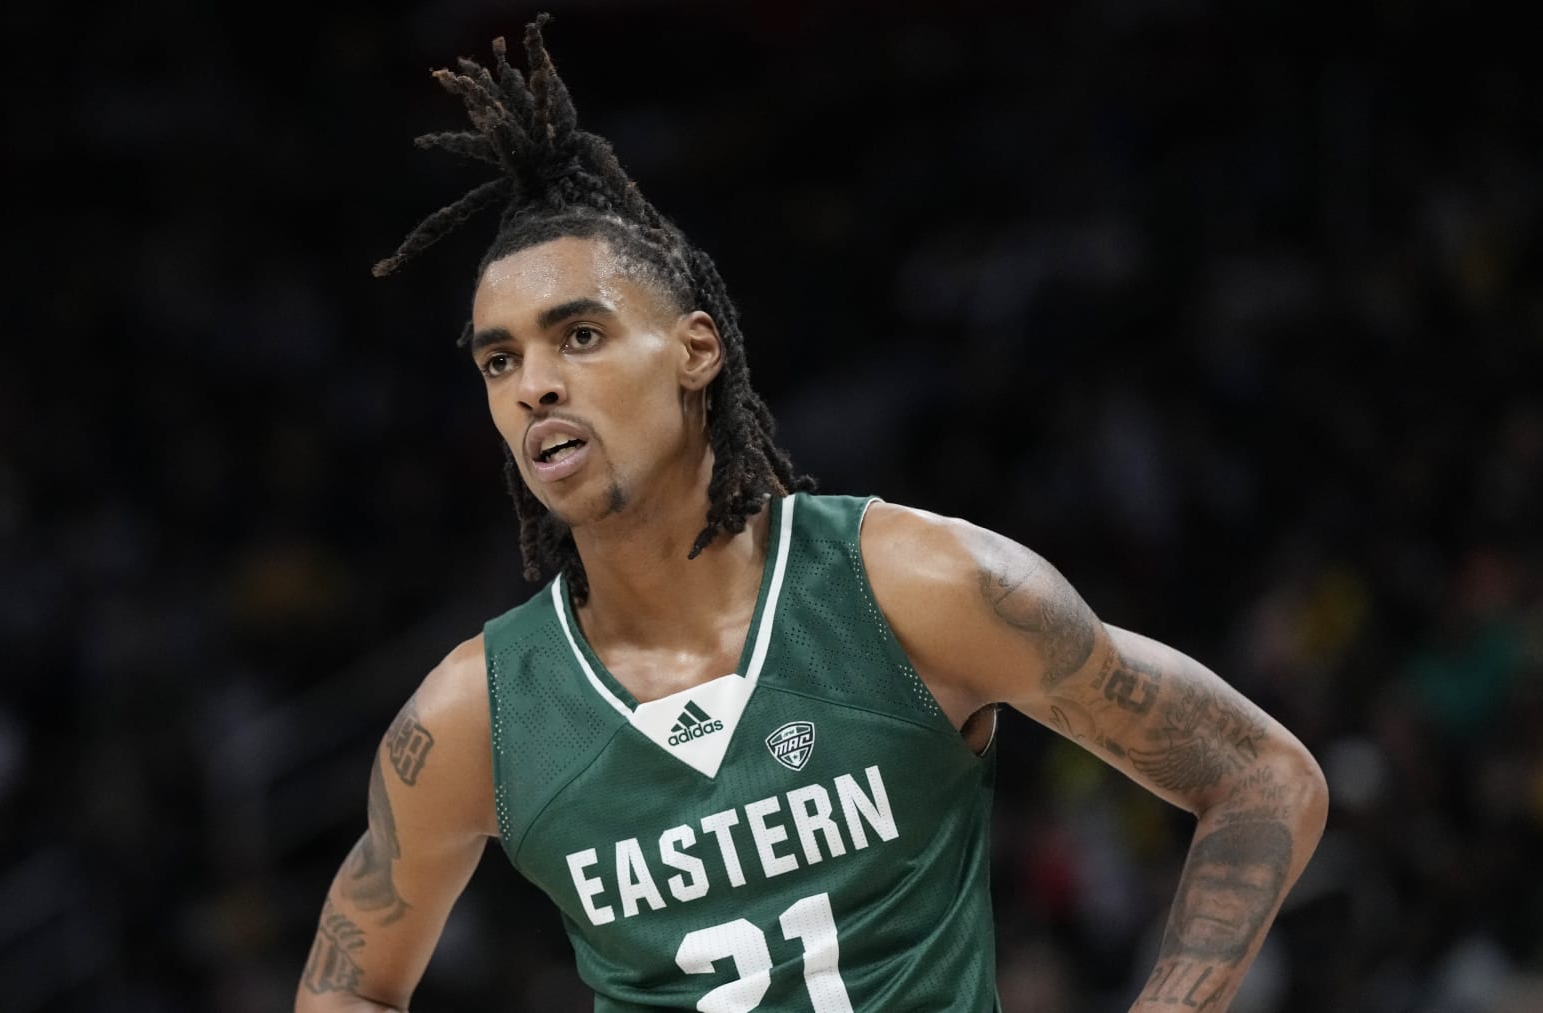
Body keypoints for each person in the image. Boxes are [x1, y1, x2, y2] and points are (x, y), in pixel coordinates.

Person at [295, 17, 1327, 1013]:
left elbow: (1261, 775)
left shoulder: (917, 589)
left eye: (579, 335)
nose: (534, 386)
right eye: (500, 359)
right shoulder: (477, 712)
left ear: (697, 350)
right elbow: (347, 979)